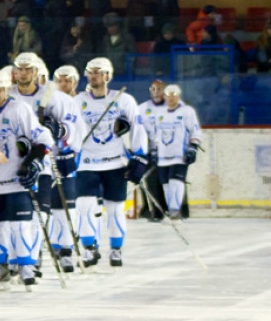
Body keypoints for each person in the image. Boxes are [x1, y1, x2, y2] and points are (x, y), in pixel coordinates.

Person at [0, 68, 54, 289]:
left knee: (20, 225)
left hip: (16, 181)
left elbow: (43, 138)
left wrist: (33, 163)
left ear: (8, 89)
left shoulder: (20, 109)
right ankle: (0, 266)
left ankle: (26, 265)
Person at [73, 57, 149, 269]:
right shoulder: (78, 101)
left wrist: (140, 156)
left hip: (115, 163)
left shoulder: (123, 100)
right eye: (89, 72)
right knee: (84, 205)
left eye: (97, 72)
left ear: (108, 75)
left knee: (115, 209)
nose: (93, 75)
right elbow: (69, 130)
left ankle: (116, 249)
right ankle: (89, 248)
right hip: (87, 163)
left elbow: (137, 127)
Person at [9, 52, 81, 271]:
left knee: (42, 212)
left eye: (29, 70)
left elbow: (71, 128)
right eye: (20, 69)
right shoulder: (9, 95)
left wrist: (61, 136)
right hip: (14, 163)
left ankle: (37, 252)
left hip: (45, 161)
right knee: (18, 214)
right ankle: (18, 255)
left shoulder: (56, 98)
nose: (24, 74)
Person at [145, 84, 202, 219]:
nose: (171, 99)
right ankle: (171, 209)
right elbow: (157, 135)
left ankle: (175, 210)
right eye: (168, 96)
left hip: (180, 155)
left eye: (174, 96)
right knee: (166, 184)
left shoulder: (187, 112)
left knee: (176, 181)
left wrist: (193, 147)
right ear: (165, 97)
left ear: (178, 97)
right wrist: (154, 151)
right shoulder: (159, 114)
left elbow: (195, 130)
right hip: (164, 155)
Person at [136, 79, 168, 222]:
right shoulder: (142, 108)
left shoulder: (174, 107)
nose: (156, 92)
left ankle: (174, 210)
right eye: (154, 89)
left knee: (170, 181)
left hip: (169, 152)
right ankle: (153, 211)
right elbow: (137, 129)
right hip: (149, 152)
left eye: (160, 89)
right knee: (151, 181)